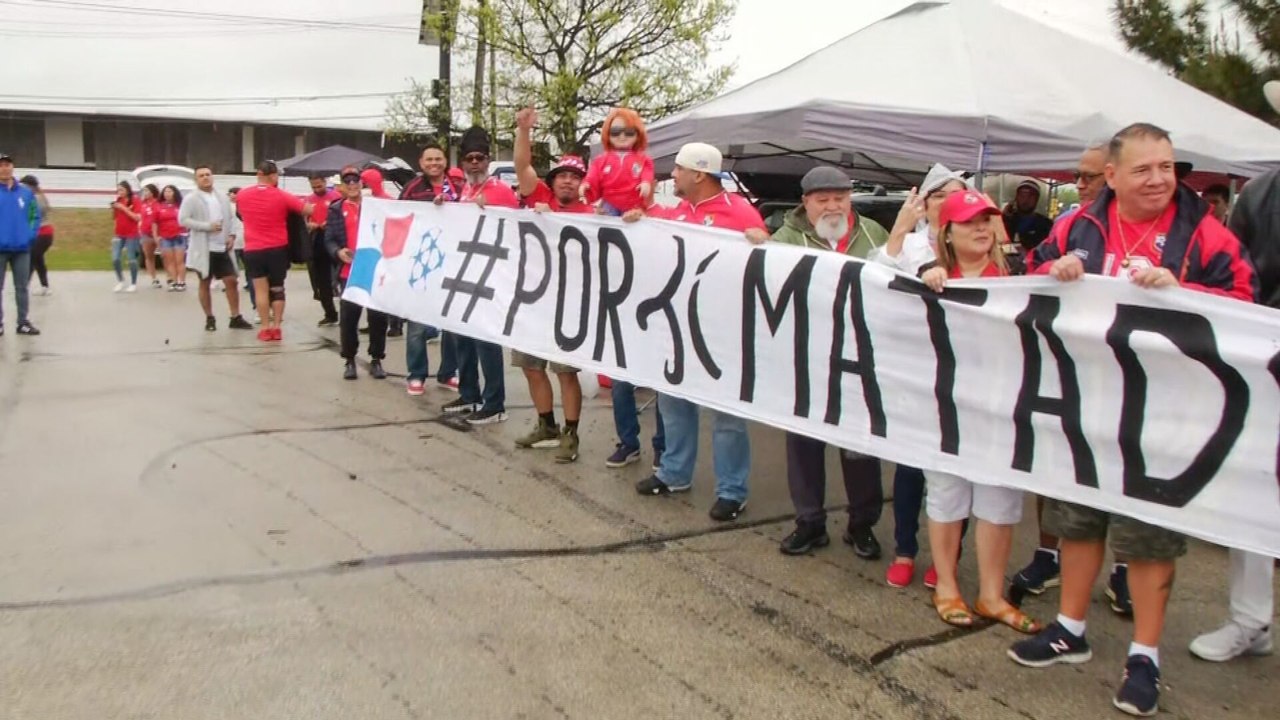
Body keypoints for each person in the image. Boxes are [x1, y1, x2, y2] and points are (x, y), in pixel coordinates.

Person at [1009, 123, 1258, 718]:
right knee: (1076, 521)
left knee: (1146, 535)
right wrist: (1055, 270)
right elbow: (1025, 278)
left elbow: (1247, 307)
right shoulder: (1077, 225)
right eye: (1143, 169)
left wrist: (1187, 292)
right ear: (1112, 175)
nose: (1158, 180)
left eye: (1167, 168)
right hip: (1088, 403)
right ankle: (1070, 627)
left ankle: (1145, 655)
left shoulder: (1206, 234)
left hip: (1165, 412)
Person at [915, 189, 1042, 635]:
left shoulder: (1018, 277)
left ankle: (991, 593)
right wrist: (926, 276)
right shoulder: (928, 276)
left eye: (987, 220)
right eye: (970, 221)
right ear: (947, 231)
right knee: (947, 494)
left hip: (1001, 408)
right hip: (945, 406)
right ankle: (947, 585)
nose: (982, 229)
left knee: (999, 500)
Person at [1013, 141, 1133, 612]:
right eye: (1078, 176)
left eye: (1089, 177)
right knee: (1055, 463)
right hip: (1068, 364)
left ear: (1114, 175)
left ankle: (1123, 569)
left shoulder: (1152, 229)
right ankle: (1049, 554)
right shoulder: (1069, 223)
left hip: (1126, 373)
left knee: (1121, 471)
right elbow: (1031, 266)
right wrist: (1052, 266)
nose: (1079, 185)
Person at [622, 142, 768, 522]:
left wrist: (762, 246)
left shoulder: (740, 213)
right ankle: (673, 473)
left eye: (679, 169)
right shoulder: (680, 212)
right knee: (673, 401)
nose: (673, 175)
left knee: (726, 414)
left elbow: (767, 267)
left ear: (699, 174)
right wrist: (640, 224)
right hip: (679, 325)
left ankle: (732, 490)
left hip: (724, 330)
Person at [1187, 157, 1279, 663]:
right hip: (1265, 359)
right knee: (1256, 486)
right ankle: (1251, 618)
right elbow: (1238, 279)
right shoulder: (1262, 193)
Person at [771, 166, 890, 559]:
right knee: (803, 446)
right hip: (804, 360)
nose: (832, 206)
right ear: (806, 203)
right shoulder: (786, 238)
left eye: (839, 198)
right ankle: (810, 522)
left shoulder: (873, 234)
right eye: (823, 200)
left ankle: (862, 524)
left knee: (859, 447)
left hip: (858, 362)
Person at [870, 162, 967, 588]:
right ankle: (905, 549)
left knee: (955, 470)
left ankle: (947, 558)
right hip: (914, 368)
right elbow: (875, 277)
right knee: (910, 467)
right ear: (924, 205)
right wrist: (898, 231)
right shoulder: (908, 244)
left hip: (962, 373)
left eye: (955, 194)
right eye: (938, 195)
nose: (947, 203)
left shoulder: (975, 240)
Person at [511, 106, 591, 463]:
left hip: (568, 305)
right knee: (531, 366)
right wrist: (523, 131)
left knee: (565, 372)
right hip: (533, 300)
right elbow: (521, 167)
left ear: (582, 183)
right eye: (562, 175)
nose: (568, 181)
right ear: (553, 179)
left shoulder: (592, 216)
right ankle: (547, 425)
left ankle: (571, 434)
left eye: (575, 177)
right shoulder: (539, 196)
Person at [440, 125, 519, 425]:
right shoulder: (465, 190)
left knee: (486, 341)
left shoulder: (499, 190)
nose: (474, 163)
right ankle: (470, 394)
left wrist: (490, 211)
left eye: (480, 158)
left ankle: (495, 402)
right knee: (463, 338)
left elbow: (514, 228)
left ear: (488, 160)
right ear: (462, 163)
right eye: (469, 158)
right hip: (465, 273)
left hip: (491, 274)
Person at [400, 141, 461, 396]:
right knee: (416, 325)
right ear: (421, 163)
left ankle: (448, 372)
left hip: (453, 264)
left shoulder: (458, 188)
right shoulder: (412, 188)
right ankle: (416, 374)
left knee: (452, 324)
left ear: (445, 161)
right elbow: (399, 218)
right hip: (421, 264)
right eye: (429, 160)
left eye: (438, 159)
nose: (434, 163)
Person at [236, 160, 313, 342]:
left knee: (260, 290)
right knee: (277, 288)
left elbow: (240, 214)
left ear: (258, 174)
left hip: (253, 249)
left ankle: (264, 327)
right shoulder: (282, 195)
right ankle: (277, 327)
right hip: (277, 248)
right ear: (273, 176)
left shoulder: (242, 195)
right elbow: (306, 209)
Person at [326, 166, 388, 380]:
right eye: (347, 181)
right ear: (342, 185)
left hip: (373, 270)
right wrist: (338, 251)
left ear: (362, 183)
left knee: (378, 318)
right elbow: (329, 238)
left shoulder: (375, 207)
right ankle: (349, 359)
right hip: (349, 272)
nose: (352, 184)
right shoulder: (335, 209)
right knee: (349, 318)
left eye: (356, 181)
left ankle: (377, 358)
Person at [180, 166, 251, 332]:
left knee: (231, 280)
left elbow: (231, 218)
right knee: (205, 281)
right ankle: (209, 317)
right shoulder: (192, 198)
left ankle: (235, 316)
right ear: (196, 180)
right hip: (204, 247)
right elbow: (183, 220)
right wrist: (206, 226)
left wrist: (232, 235)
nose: (205, 178)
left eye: (208, 175)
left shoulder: (221, 197)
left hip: (222, 247)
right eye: (201, 176)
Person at [581, 107, 654, 215]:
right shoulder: (600, 160)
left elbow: (648, 172)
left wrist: (645, 182)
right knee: (607, 225)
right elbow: (592, 177)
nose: (622, 136)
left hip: (634, 203)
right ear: (607, 134)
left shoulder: (643, 159)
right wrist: (586, 184)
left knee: (633, 224)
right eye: (615, 132)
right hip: (609, 202)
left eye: (629, 132)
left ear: (638, 134)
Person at [0, 151, 41, 336]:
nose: (5, 168)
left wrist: (29, 235)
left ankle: (22, 322)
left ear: (12, 167)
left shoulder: (25, 193)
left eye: (7, 164)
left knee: (22, 286)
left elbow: (35, 215)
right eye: (1, 165)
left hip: (22, 248)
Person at [303, 173, 342, 326]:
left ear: (325, 182)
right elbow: (304, 220)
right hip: (317, 238)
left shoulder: (336, 196)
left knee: (340, 276)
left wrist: (330, 223)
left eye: (319, 186)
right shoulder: (308, 200)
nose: (317, 189)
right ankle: (330, 313)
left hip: (334, 237)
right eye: (314, 187)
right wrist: (309, 225)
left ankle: (346, 310)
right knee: (321, 279)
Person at [19, 175, 53, 296]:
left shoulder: (35, 198)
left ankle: (22, 287)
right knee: (38, 260)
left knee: (31, 259)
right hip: (45, 233)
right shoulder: (39, 197)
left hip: (42, 233)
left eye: (23, 186)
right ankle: (45, 287)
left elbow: (30, 216)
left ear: (30, 186)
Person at [226, 187, 256, 322]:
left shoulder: (246, 206)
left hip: (247, 242)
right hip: (233, 243)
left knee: (251, 272)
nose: (233, 195)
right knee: (233, 270)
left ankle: (254, 299)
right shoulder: (226, 207)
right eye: (230, 193)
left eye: (235, 193)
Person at [1002, 178, 1053, 254]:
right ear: (1016, 197)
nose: (1025, 200)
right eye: (1022, 196)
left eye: (1030, 196)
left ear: (1037, 199)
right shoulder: (1006, 220)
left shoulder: (1046, 224)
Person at [110, 182, 142, 292]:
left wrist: (124, 208)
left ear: (128, 190)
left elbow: (137, 218)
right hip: (119, 234)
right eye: (118, 190)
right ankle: (120, 280)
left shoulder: (135, 200)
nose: (120, 192)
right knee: (115, 258)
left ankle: (133, 283)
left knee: (131, 259)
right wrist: (114, 208)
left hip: (132, 234)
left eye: (122, 190)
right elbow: (114, 218)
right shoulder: (118, 200)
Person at [154, 185, 187, 291]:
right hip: (165, 237)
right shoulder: (159, 206)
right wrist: (156, 236)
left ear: (175, 193)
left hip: (179, 236)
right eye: (165, 191)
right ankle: (173, 281)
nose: (167, 193)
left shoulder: (180, 205)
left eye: (170, 191)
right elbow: (155, 223)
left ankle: (181, 281)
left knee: (179, 261)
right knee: (170, 261)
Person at [139, 184, 162, 288]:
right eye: (144, 191)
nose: (145, 193)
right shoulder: (143, 204)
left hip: (158, 234)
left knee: (165, 255)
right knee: (149, 256)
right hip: (146, 234)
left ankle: (170, 277)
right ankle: (154, 278)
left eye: (147, 191)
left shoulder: (158, 203)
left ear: (153, 192)